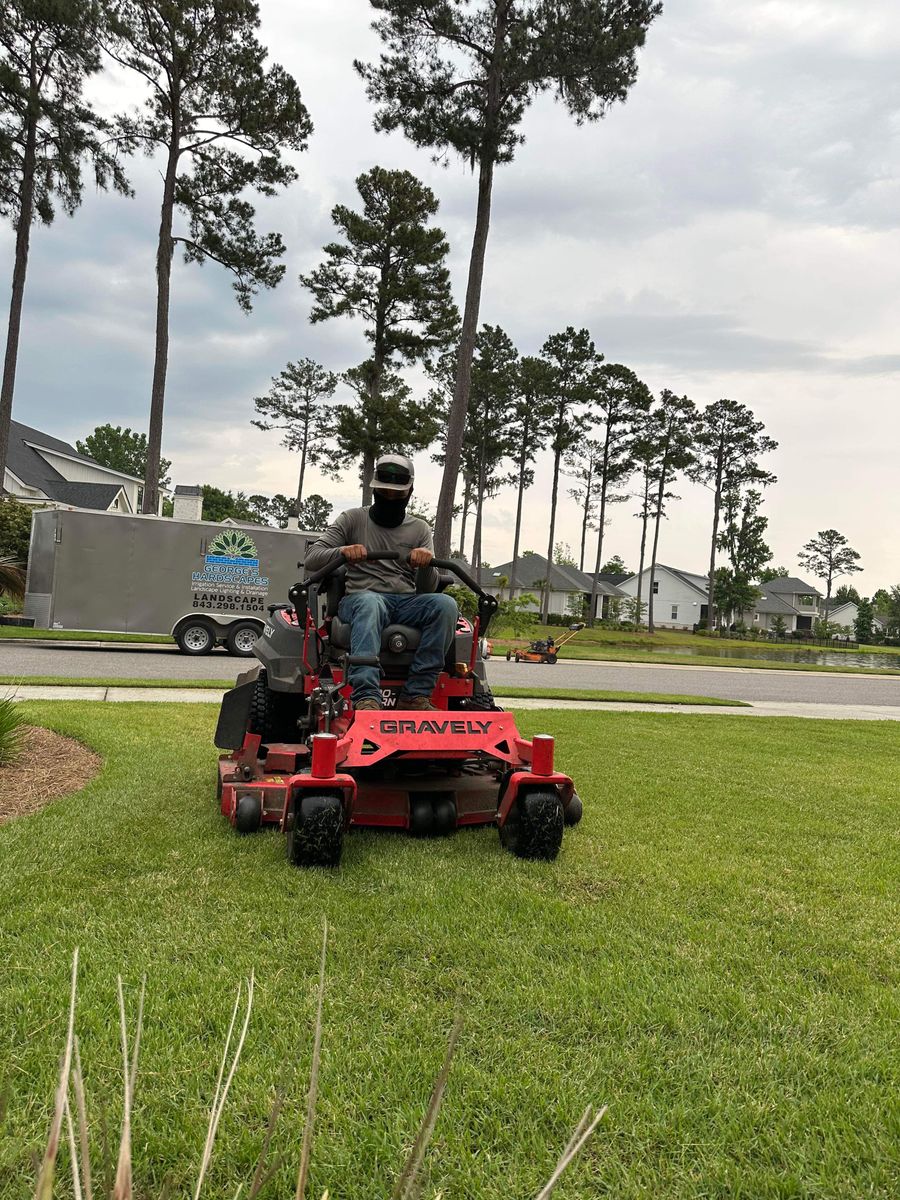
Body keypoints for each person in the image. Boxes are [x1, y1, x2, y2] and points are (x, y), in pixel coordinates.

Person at [303, 453, 458, 712]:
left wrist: (425, 564)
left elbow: (429, 588)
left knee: (446, 605)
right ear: (375, 489)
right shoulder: (352, 519)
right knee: (370, 602)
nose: (390, 498)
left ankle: (416, 694)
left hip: (405, 602)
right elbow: (312, 558)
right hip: (360, 598)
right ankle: (366, 696)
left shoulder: (420, 529)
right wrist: (342, 552)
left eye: (397, 495)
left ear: (409, 493)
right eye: (384, 492)